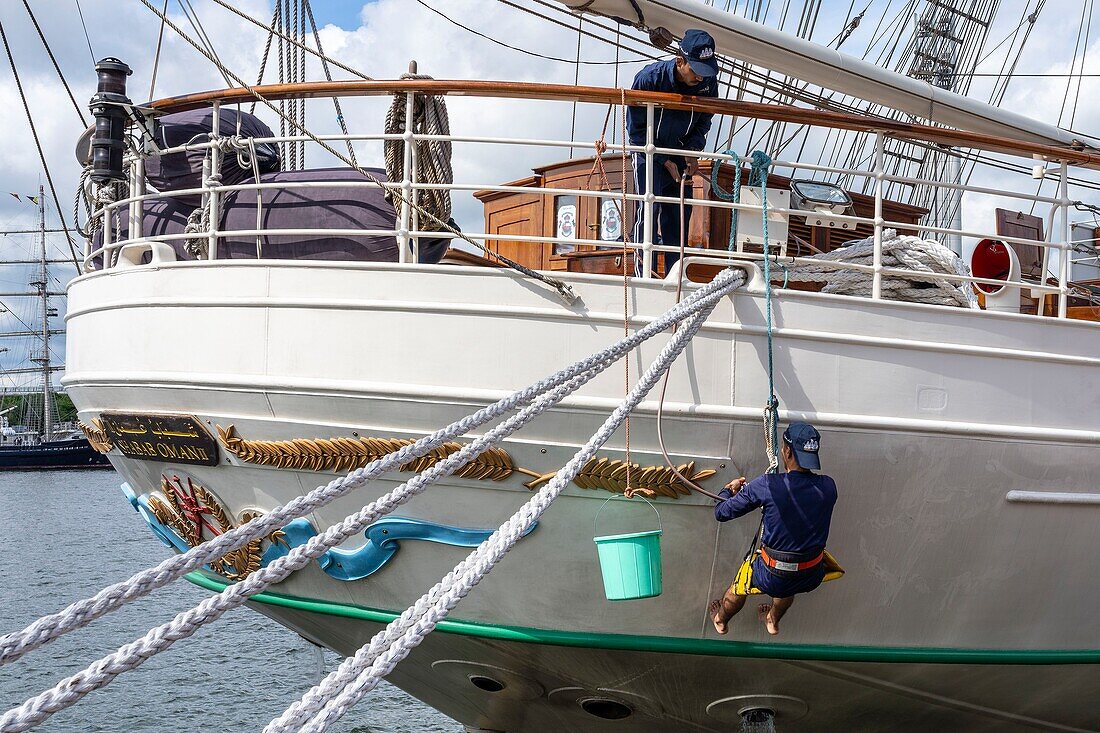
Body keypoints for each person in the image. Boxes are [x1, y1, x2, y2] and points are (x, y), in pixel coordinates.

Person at [708, 422, 837, 636]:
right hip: (810, 575)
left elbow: (721, 513)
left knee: (741, 585)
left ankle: (721, 619)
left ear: (786, 451)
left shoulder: (766, 485)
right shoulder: (829, 486)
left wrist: (728, 490)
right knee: (791, 577)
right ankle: (772, 620)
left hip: (773, 575)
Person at [626, 29, 720, 276]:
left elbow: (704, 120)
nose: (702, 78)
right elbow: (635, 131)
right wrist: (662, 159)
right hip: (648, 153)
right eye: (697, 71)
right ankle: (642, 274)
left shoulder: (707, 83)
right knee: (648, 209)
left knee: (678, 217)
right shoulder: (649, 79)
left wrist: (692, 151)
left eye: (707, 71)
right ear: (680, 61)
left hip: (681, 152)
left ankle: (674, 277)